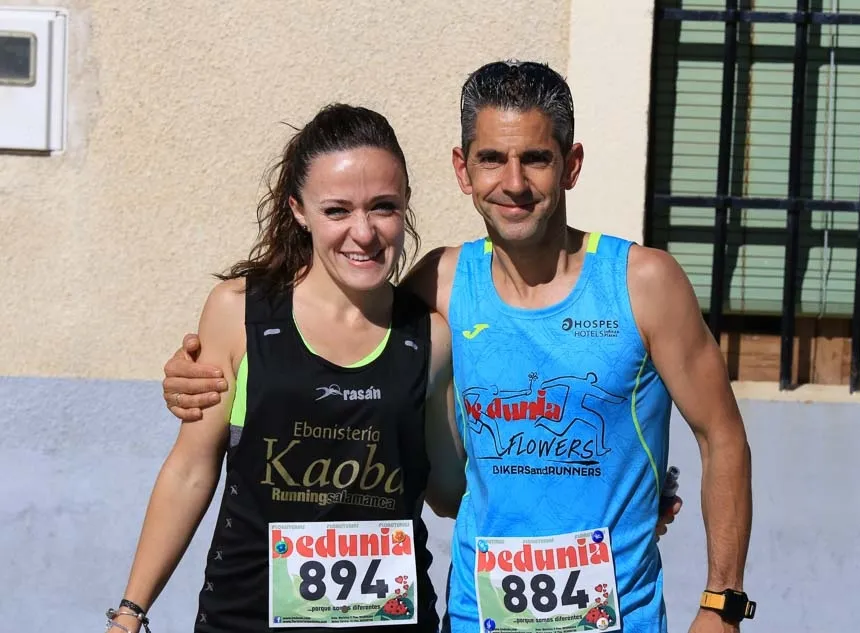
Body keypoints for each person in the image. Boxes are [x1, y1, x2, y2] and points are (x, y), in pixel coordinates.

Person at [163, 61, 747, 633]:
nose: (513, 183)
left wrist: (721, 604)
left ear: (570, 166)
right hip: (475, 616)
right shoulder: (439, 283)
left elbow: (722, 437)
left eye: (536, 158)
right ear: (463, 170)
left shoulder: (643, 283)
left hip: (617, 620)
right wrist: (200, 372)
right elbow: (336, 346)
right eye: (491, 159)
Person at [105, 104, 468, 633]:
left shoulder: (431, 338)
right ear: (299, 210)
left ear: (406, 202)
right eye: (337, 210)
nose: (363, 232)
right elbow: (190, 470)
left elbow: (449, 493)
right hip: (245, 618)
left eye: (383, 207)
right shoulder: (238, 313)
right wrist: (130, 612)